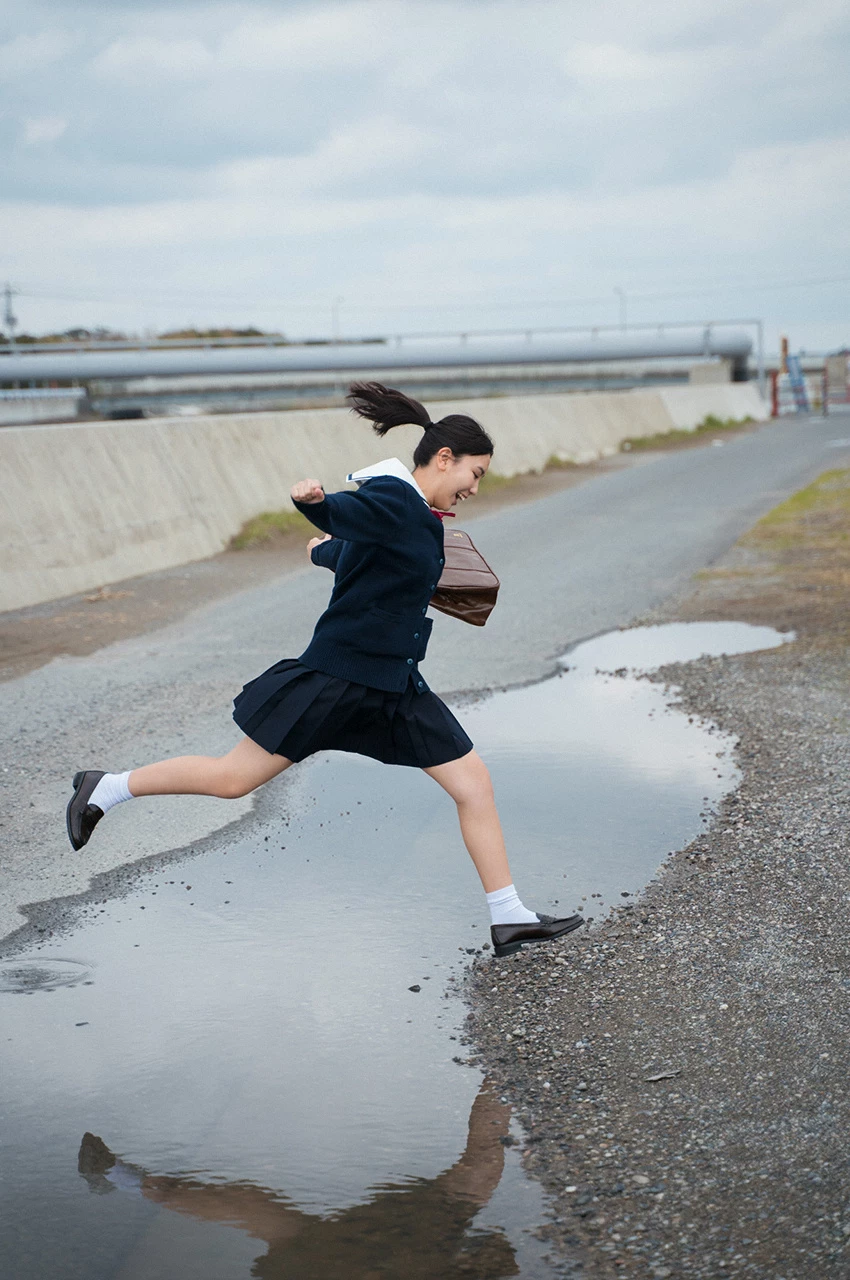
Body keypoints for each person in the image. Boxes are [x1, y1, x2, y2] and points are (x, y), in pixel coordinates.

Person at [66, 382, 583, 957]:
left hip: (395, 688)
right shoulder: (394, 498)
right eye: (476, 472)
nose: (475, 486)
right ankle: (106, 787)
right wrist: (315, 504)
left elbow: (356, 549)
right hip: (338, 680)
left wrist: (321, 551)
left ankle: (508, 917)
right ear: (444, 459)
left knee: (473, 783)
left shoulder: (421, 519)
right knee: (232, 780)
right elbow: (349, 513)